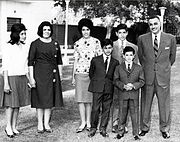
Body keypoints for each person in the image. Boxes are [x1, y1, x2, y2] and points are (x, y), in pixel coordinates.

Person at [138, 15, 177, 139]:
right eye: (151, 24)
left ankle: (164, 129)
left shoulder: (170, 38)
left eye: (155, 24)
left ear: (159, 24)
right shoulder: (142, 39)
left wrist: (162, 69)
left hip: (163, 78)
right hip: (148, 76)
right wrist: (148, 69)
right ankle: (144, 128)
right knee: (145, 104)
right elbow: (141, 57)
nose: (153, 26)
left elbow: (172, 58)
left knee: (164, 105)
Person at [28, 21, 63, 133]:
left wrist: (60, 75)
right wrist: (32, 78)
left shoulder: (55, 43)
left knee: (49, 100)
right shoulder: (35, 44)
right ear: (41, 31)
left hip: (52, 74)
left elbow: (59, 61)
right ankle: (39, 124)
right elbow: (30, 62)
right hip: (39, 74)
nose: (47, 32)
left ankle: (46, 124)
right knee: (40, 100)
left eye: (48, 29)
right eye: (44, 30)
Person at [72, 18, 102, 133]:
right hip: (80, 74)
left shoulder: (96, 42)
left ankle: (89, 122)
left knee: (89, 100)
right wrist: (72, 76)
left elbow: (99, 59)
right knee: (80, 100)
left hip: (92, 75)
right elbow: (75, 61)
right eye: (83, 30)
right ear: (81, 30)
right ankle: (83, 122)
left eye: (87, 29)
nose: (85, 32)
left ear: (90, 30)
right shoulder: (77, 44)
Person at [1, 23, 30, 138]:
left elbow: (25, 65)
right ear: (16, 34)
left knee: (17, 104)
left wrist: (29, 79)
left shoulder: (24, 47)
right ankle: (8, 127)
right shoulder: (8, 47)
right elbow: (5, 66)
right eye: (22, 34)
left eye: (25, 33)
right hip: (11, 78)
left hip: (21, 77)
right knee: (10, 105)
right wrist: (6, 83)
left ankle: (14, 126)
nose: (24, 36)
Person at [88, 39, 119, 138]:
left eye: (110, 48)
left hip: (109, 88)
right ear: (102, 49)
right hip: (97, 87)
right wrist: (98, 82)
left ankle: (103, 128)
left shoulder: (115, 62)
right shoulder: (95, 60)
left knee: (106, 108)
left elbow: (115, 76)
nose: (108, 50)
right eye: (106, 48)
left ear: (112, 48)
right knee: (95, 108)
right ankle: (93, 128)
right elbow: (91, 73)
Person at [111, 24, 138, 133]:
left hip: (128, 79)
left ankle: (124, 123)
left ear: (127, 33)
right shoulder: (111, 46)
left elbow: (136, 65)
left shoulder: (133, 47)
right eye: (119, 32)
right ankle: (115, 123)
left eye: (124, 32)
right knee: (116, 100)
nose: (122, 35)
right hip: (116, 78)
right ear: (116, 33)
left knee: (126, 102)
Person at [114, 46, 144, 140]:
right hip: (123, 94)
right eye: (126, 55)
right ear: (123, 56)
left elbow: (142, 81)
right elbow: (115, 80)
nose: (129, 57)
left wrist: (133, 85)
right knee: (122, 113)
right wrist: (123, 86)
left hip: (134, 94)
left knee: (135, 113)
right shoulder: (119, 67)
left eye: (131, 55)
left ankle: (136, 133)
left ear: (134, 56)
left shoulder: (139, 68)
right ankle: (120, 132)